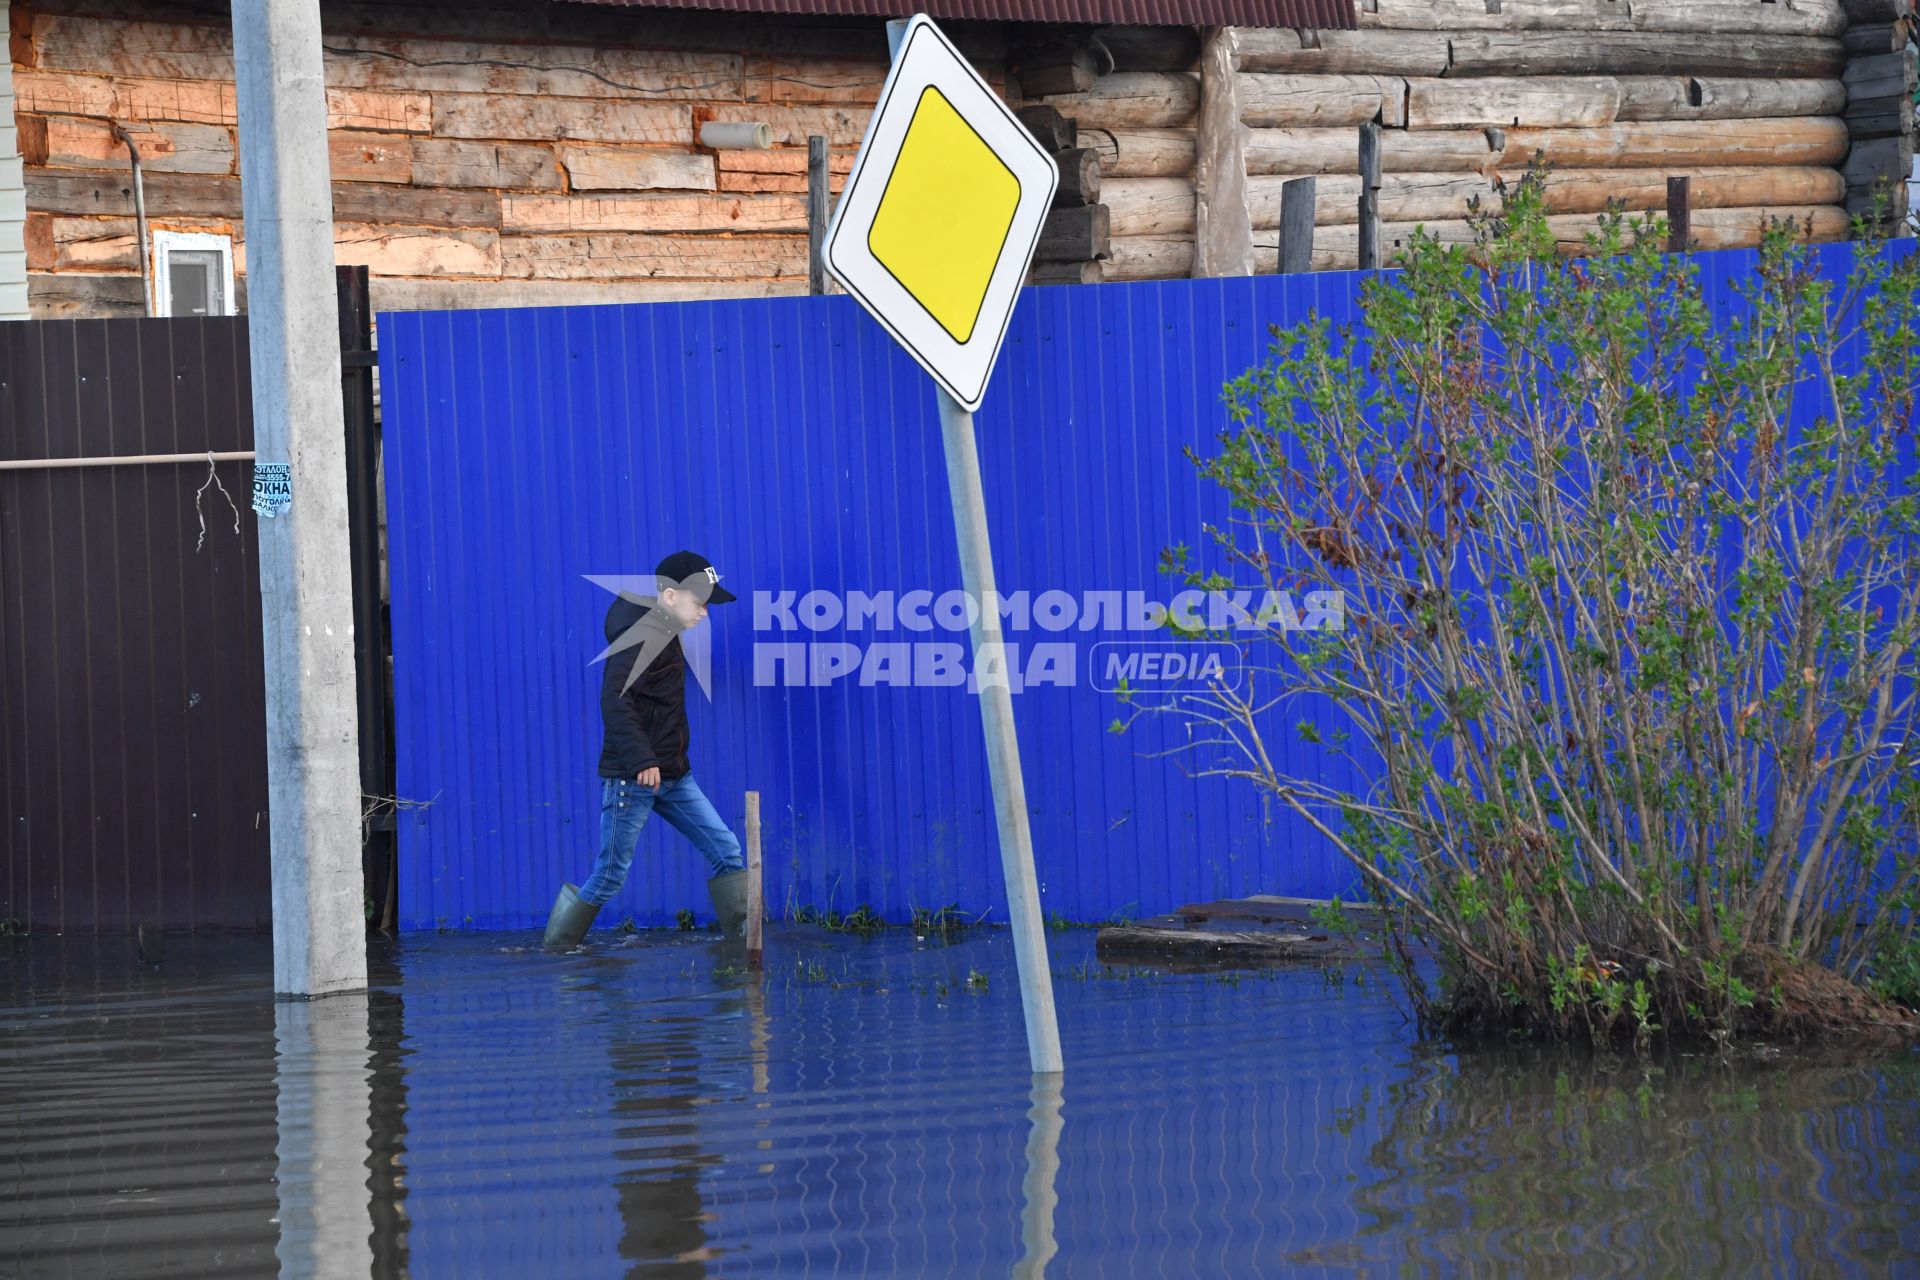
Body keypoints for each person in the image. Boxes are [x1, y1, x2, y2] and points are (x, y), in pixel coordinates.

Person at [543, 550, 746, 949]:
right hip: (632, 780)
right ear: (670, 596)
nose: (705, 612)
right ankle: (558, 954)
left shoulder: (668, 637)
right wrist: (642, 760)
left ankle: (744, 953)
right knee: (609, 875)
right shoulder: (638, 639)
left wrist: (665, 761)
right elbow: (615, 701)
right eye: (699, 602)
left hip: (673, 776)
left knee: (728, 851)